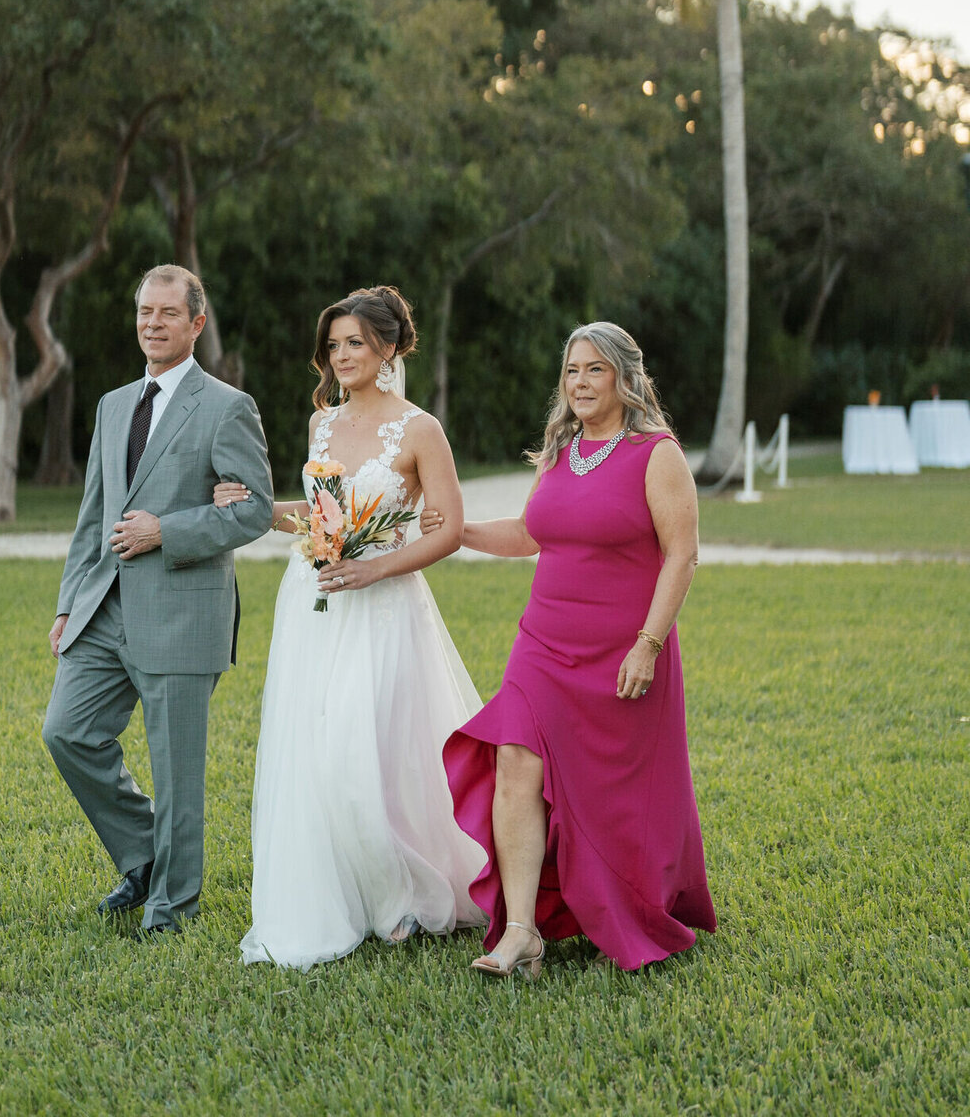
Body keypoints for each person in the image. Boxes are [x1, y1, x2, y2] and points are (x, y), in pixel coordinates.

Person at [211, 285, 485, 968]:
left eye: (355, 343)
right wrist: (256, 507)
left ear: (388, 348)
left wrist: (376, 571)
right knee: (319, 748)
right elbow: (321, 520)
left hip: (385, 607)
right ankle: (347, 892)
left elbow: (448, 529)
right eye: (333, 346)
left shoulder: (420, 429)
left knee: (375, 752)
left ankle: (400, 898)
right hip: (314, 604)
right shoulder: (321, 425)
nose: (341, 357)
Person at [440, 321, 716, 977]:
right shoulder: (561, 450)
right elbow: (532, 533)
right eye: (571, 370)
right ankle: (519, 932)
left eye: (595, 370)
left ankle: (629, 900)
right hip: (543, 642)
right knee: (514, 758)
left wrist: (648, 645)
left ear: (625, 377)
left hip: (623, 648)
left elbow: (683, 554)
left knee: (612, 792)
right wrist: (457, 531)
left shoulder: (657, 453)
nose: (581, 383)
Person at [42, 264, 274, 935]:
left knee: (177, 771)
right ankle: (143, 855)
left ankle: (172, 906)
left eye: (168, 313)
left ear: (196, 323)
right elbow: (94, 514)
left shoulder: (229, 406)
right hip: (104, 608)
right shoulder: (113, 405)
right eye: (145, 312)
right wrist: (68, 603)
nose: (153, 324)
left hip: (184, 608)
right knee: (66, 731)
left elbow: (254, 510)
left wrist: (166, 530)